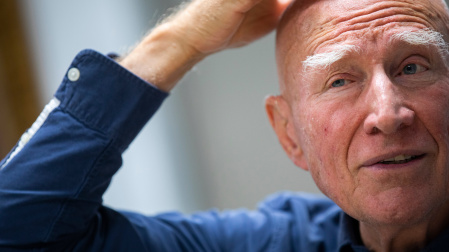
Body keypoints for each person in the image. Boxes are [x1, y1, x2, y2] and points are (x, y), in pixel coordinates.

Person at [1, 0, 449, 251]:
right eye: (339, 80)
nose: (388, 115)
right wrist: (181, 41)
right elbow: (17, 234)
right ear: (289, 134)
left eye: (412, 67)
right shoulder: (271, 244)